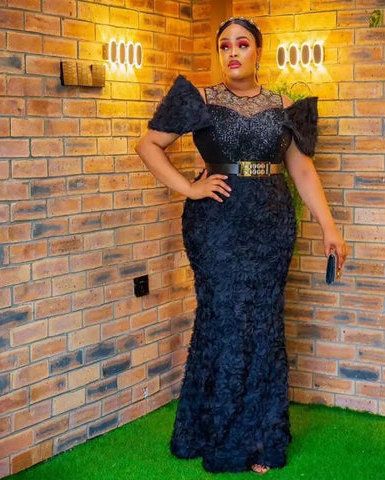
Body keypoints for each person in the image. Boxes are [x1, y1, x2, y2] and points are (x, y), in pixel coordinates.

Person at [135, 16, 347, 475]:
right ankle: (217, 434)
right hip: (216, 224)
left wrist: (329, 227)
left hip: (271, 225)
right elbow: (148, 145)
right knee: (224, 319)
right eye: (225, 45)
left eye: (242, 44)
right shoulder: (200, 99)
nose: (233, 52)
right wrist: (188, 188)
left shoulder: (284, 106)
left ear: (258, 52)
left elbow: (302, 170)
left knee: (263, 323)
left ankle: (259, 437)